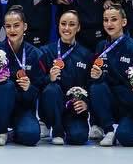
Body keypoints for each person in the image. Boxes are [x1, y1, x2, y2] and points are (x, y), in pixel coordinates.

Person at [85, 1, 133, 146]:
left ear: (124, 22)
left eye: (114, 19)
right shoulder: (101, 46)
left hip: (131, 106)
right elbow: (94, 80)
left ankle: (126, 128)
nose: (109, 24)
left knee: (127, 139)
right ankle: (108, 130)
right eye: (106, 20)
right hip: (110, 103)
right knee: (97, 86)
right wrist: (96, 76)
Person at [0, 7, 42, 146]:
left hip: (22, 109)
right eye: (8, 26)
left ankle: (14, 133)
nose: (12, 30)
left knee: (31, 136)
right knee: (6, 86)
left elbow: (39, 89)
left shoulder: (35, 54)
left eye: (16, 25)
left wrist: (29, 88)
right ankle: (2, 131)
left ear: (25, 27)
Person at [37, 9, 94, 145]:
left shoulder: (86, 55)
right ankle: (57, 131)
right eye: (63, 24)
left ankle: (70, 126)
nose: (67, 28)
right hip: (52, 105)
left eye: (72, 24)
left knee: (79, 137)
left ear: (78, 28)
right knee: (52, 89)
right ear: (58, 26)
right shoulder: (45, 51)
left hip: (74, 108)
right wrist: (49, 78)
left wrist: (86, 103)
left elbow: (90, 85)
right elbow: (36, 82)